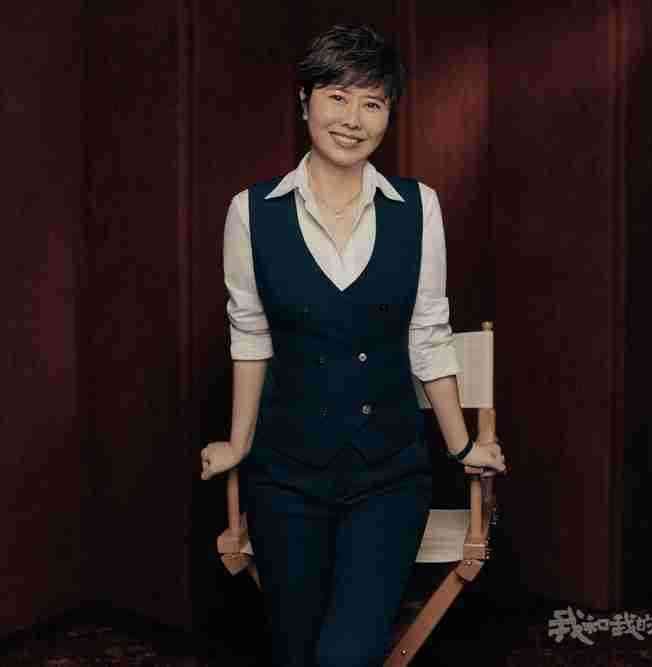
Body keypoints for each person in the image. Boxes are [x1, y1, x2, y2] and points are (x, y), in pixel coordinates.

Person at [199, 24, 506, 666]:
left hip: (388, 476)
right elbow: (249, 334)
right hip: (286, 476)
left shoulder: (417, 208)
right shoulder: (250, 212)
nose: (353, 119)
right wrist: (238, 442)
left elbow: (429, 334)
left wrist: (461, 446)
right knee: (295, 649)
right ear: (304, 100)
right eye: (337, 97)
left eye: (372, 103)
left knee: (346, 654)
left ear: (389, 114)